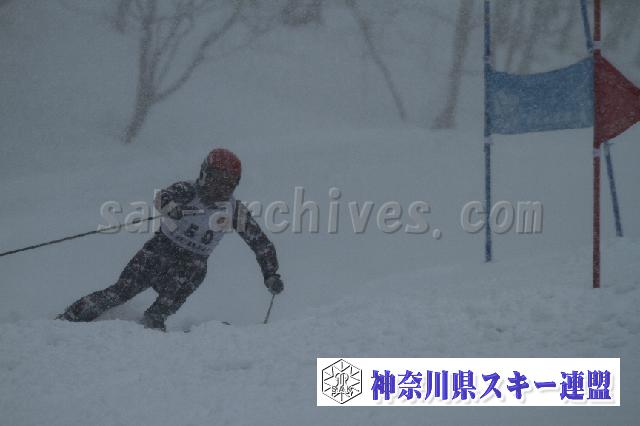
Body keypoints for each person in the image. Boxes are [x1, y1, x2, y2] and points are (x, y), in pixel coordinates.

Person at [58, 148, 283, 331]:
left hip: (191, 266)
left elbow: (260, 244)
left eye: (227, 184)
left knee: (166, 304)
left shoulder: (234, 211)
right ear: (204, 175)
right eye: (216, 181)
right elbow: (163, 196)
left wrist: (270, 273)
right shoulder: (188, 190)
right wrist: (171, 207)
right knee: (119, 293)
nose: (220, 189)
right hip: (159, 252)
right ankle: (67, 320)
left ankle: (151, 329)